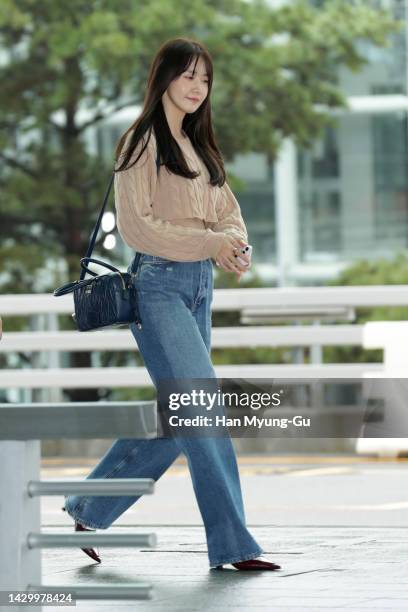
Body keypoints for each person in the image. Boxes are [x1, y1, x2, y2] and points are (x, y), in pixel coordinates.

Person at [63, 37, 281, 572]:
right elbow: (138, 228)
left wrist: (233, 243)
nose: (197, 87)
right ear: (163, 77)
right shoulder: (140, 142)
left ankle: (90, 507)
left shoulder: (199, 144)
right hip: (157, 288)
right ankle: (234, 545)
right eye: (188, 75)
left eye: (205, 79)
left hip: (199, 286)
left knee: (180, 414)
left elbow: (227, 210)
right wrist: (209, 242)